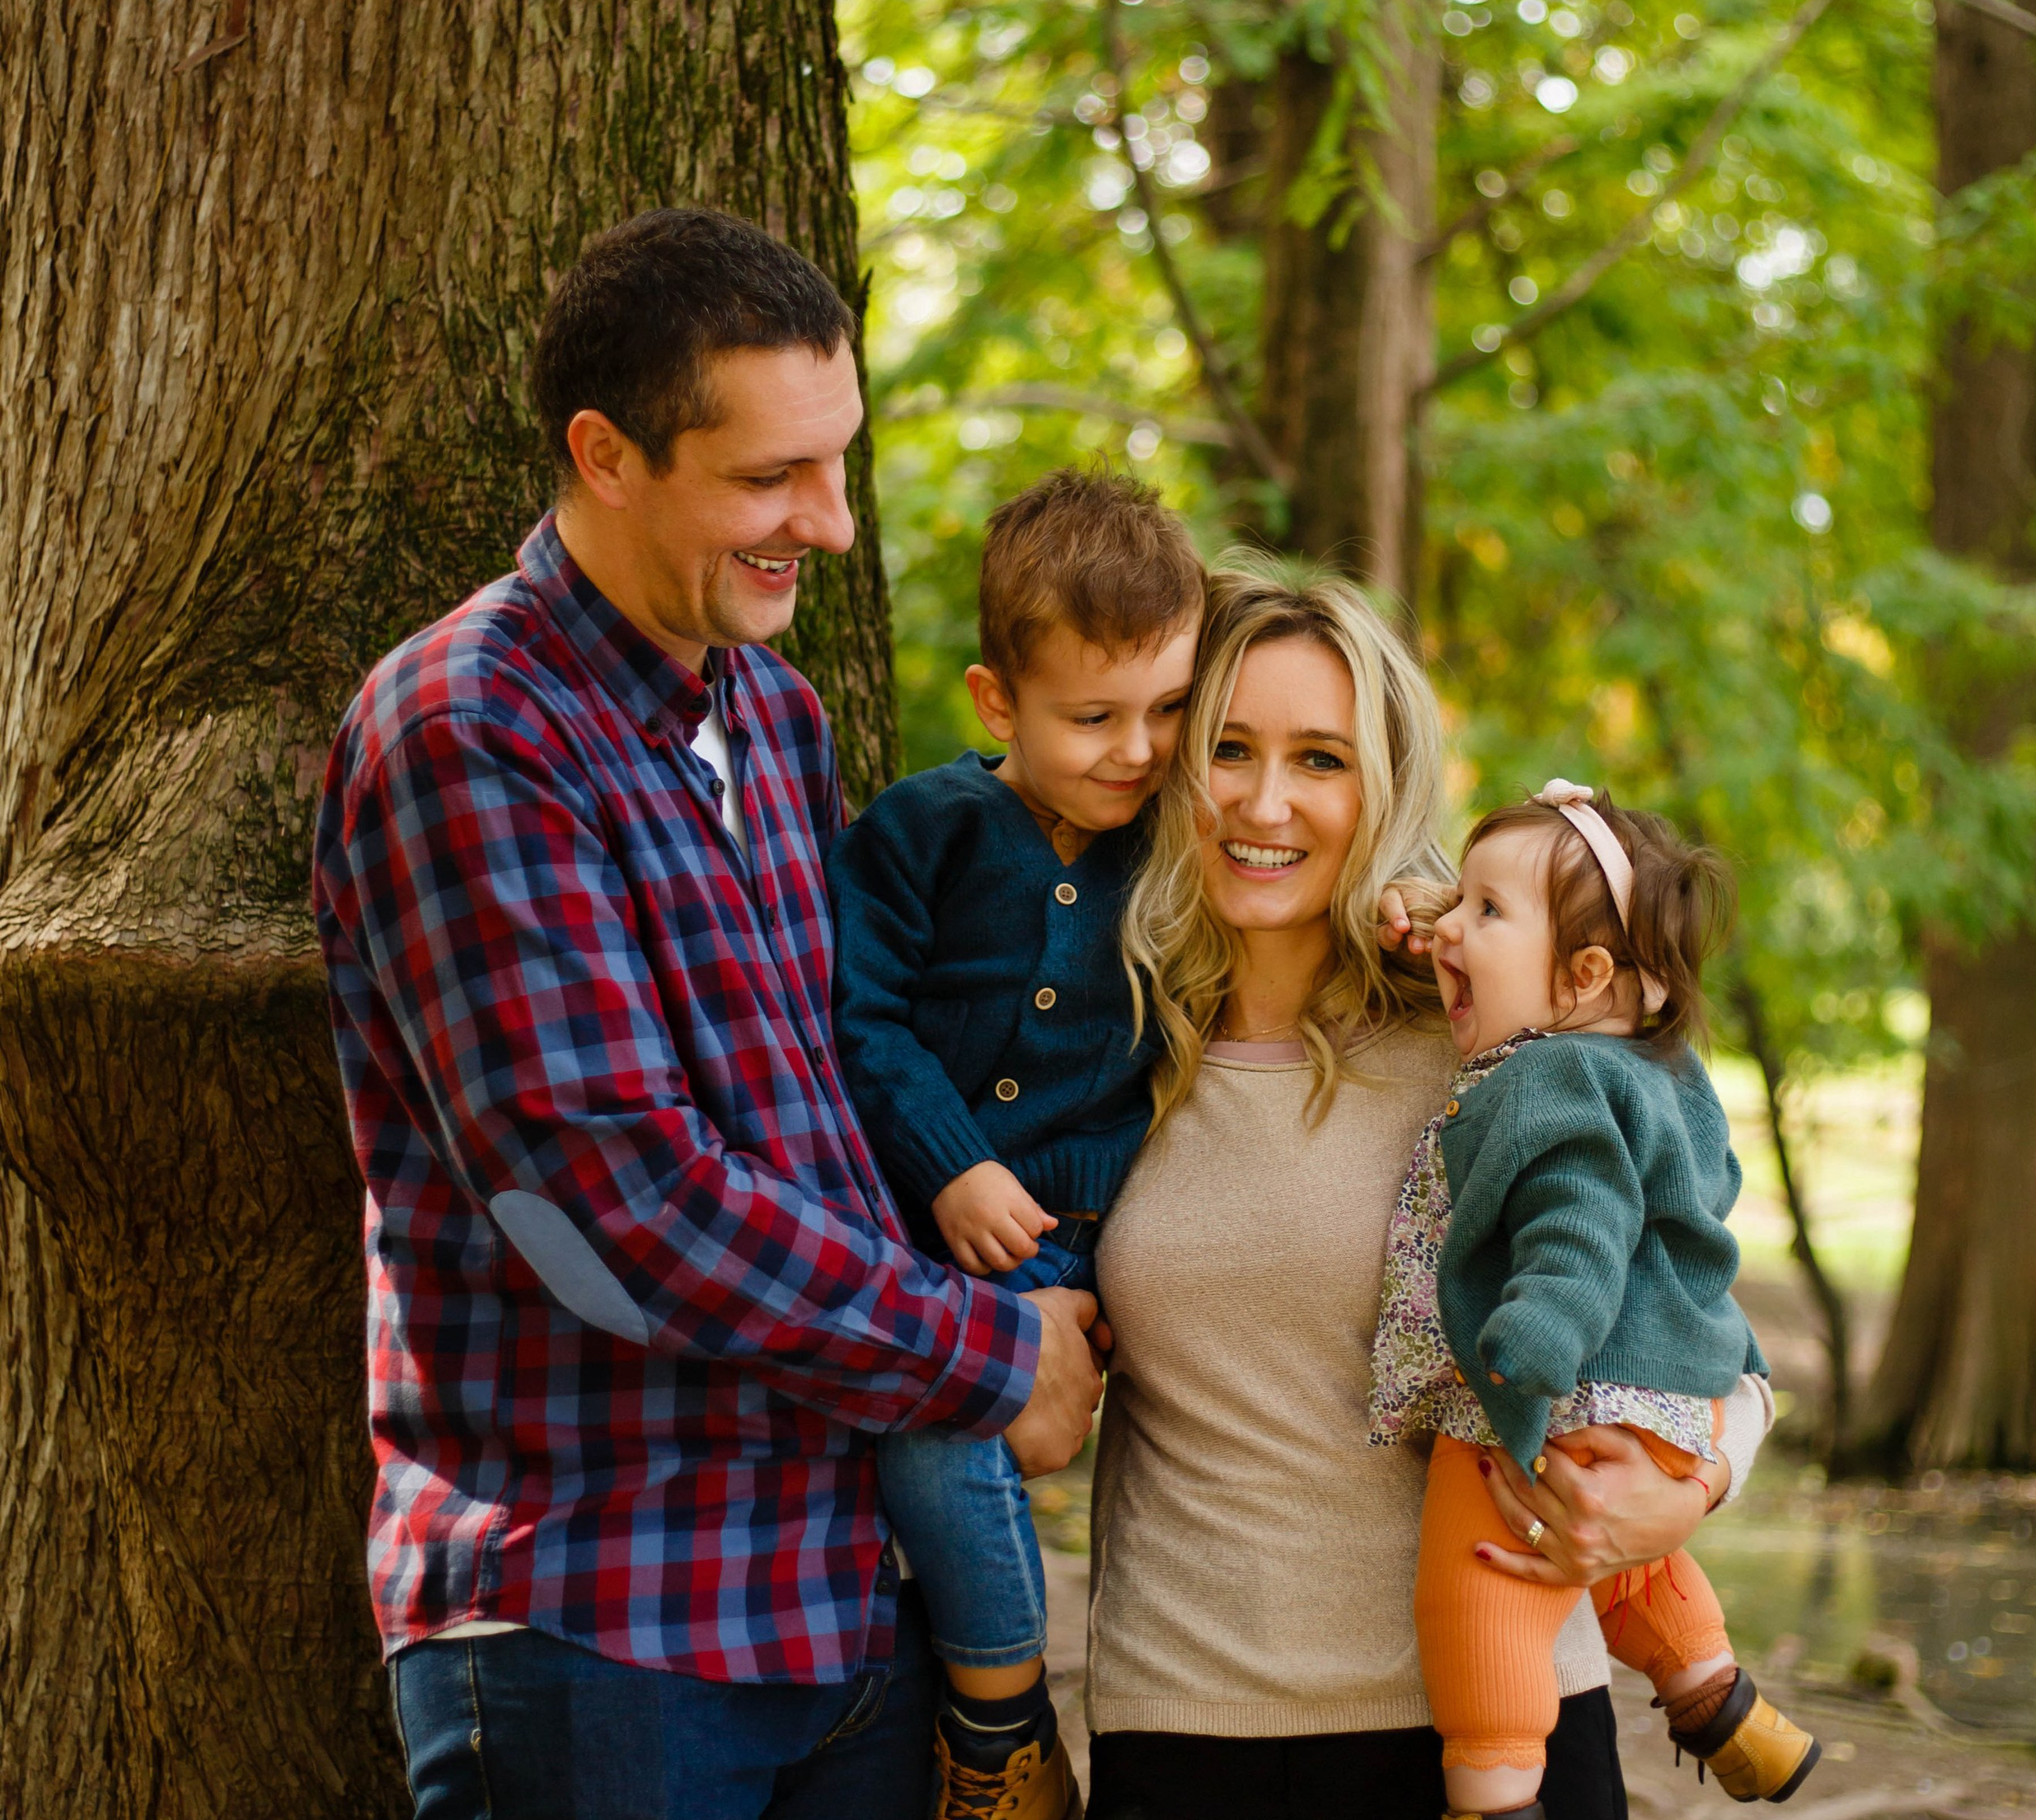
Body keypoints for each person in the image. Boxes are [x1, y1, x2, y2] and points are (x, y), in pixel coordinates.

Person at [312, 208, 1107, 1820]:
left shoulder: (774, 711)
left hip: (834, 1607)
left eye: (836, 462)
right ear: (603, 454)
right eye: (768, 479)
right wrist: (987, 1351)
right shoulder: (471, 731)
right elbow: (612, 1196)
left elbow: (824, 1103)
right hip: (600, 1618)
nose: (825, 520)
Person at [1083, 562, 1777, 1820]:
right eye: (1230, 748)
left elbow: (1711, 1330)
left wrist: (1691, 1485)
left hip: (1488, 1734)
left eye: (1322, 760)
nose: (1266, 801)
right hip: (1180, 1725)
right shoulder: (1103, 1042)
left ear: (1384, 783)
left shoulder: (1493, 1055)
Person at [827, 467, 1208, 1820]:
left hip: (1086, 1238)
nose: (1140, 750)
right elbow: (855, 1016)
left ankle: (993, 1735)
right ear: (1000, 703)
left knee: (951, 1430)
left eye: (1170, 710)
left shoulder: (1184, 844)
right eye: (1093, 717)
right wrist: (950, 1163)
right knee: (930, 1424)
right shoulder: (921, 831)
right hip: (936, 1223)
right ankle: (1010, 1726)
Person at [1368, 781, 1821, 1820]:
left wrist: (1537, 1330)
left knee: (1473, 1592)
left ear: (1582, 975)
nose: (1446, 933)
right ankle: (1719, 1701)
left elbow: (1580, 1219)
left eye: (1483, 913)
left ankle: (1493, 1792)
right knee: (1618, 1571)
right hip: (1656, 1405)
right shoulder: (1647, 1069)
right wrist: (1455, 927)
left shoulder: (1546, 1082)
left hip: (1546, 1387)